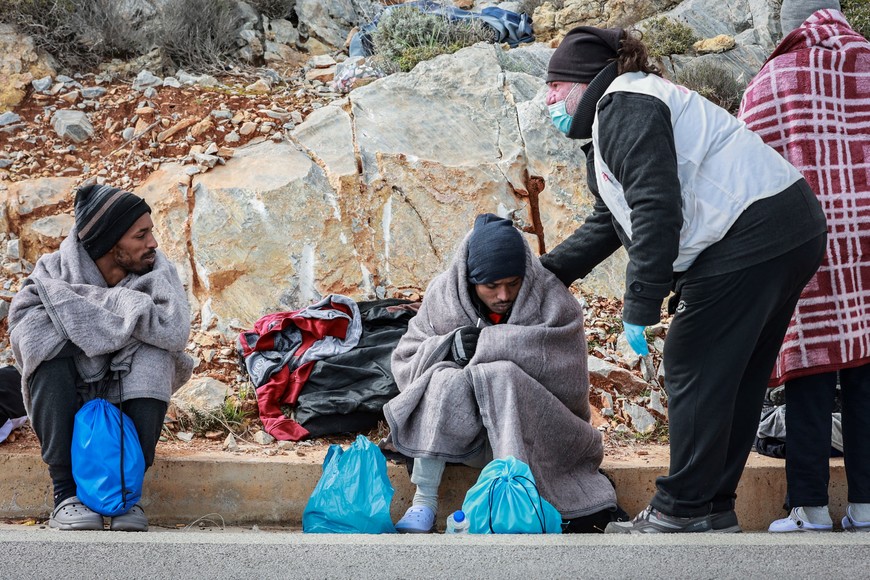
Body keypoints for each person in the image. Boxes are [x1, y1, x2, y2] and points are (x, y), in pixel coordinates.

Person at [540, 26, 828, 533]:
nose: (548, 99)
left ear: (586, 81)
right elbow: (612, 220)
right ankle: (711, 505)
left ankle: (682, 508)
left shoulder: (626, 104)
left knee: (691, 361)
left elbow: (656, 209)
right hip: (786, 228)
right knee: (731, 378)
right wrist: (548, 274)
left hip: (752, 233)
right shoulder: (622, 111)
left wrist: (640, 303)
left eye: (556, 87)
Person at [384, 213, 622, 533]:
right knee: (442, 376)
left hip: (536, 436)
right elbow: (405, 359)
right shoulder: (444, 295)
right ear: (470, 280)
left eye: (513, 283)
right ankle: (423, 502)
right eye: (491, 286)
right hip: (463, 438)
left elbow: (565, 380)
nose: (503, 296)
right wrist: (448, 347)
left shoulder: (552, 299)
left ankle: (514, 498)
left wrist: (487, 347)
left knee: (502, 373)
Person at [738, 0, 870, 533]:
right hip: (867, 243)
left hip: (811, 242)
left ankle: (810, 507)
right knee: (866, 371)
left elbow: (744, 154)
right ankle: (865, 507)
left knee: (811, 373)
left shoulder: (779, 75)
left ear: (792, 23)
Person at [8, 184, 194, 531]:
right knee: (46, 356)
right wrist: (127, 315)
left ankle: (127, 494)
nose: (153, 243)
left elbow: (173, 330)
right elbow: (26, 328)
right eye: (141, 235)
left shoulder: (158, 272)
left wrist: (79, 314)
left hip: (124, 381)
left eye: (150, 232)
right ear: (110, 243)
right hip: (73, 387)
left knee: (156, 358)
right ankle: (65, 494)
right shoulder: (53, 271)